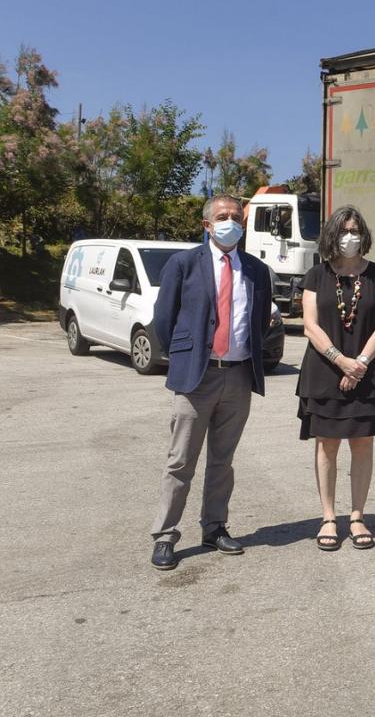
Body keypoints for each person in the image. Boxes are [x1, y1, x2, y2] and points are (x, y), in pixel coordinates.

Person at [148, 195, 273, 570]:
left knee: (224, 460)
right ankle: (165, 536)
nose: (230, 222)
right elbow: (163, 319)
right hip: (197, 377)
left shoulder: (256, 269)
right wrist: (185, 358)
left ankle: (215, 527)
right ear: (207, 225)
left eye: (236, 216)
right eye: (222, 217)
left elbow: (261, 320)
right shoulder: (184, 263)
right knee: (180, 461)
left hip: (237, 376)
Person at [296, 207, 375, 551]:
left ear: (363, 235)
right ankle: (327, 517)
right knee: (327, 444)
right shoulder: (315, 276)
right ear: (331, 236)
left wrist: (360, 363)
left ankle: (356, 516)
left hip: (368, 371)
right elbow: (310, 325)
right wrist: (342, 361)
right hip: (324, 370)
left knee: (363, 443)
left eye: (355, 230)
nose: (349, 237)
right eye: (342, 231)